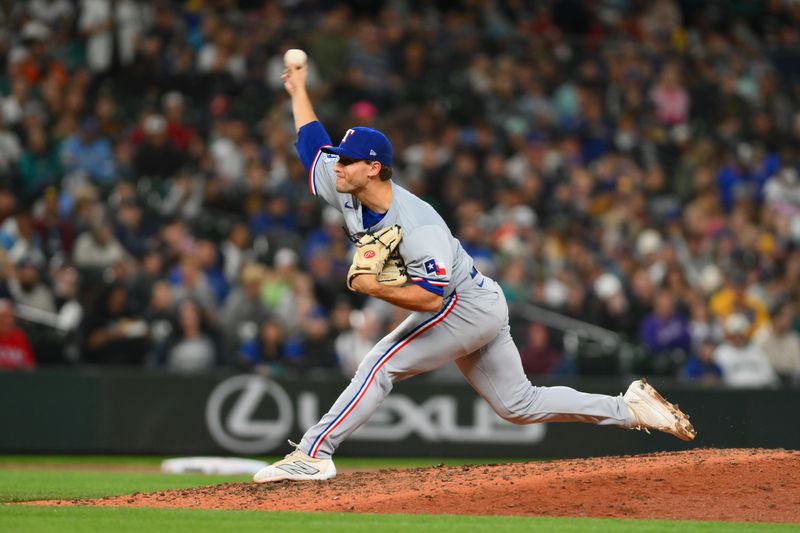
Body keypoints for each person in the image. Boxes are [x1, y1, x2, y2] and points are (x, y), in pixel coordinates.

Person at [252, 56, 696, 483]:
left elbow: (430, 298)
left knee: (379, 364)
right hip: (476, 301)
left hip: (462, 303)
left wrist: (373, 287)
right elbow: (312, 145)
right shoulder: (347, 183)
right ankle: (631, 408)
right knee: (518, 404)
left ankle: (313, 455)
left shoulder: (417, 223)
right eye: (340, 159)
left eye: (347, 160)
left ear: (373, 168)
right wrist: (299, 89)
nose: (337, 165)